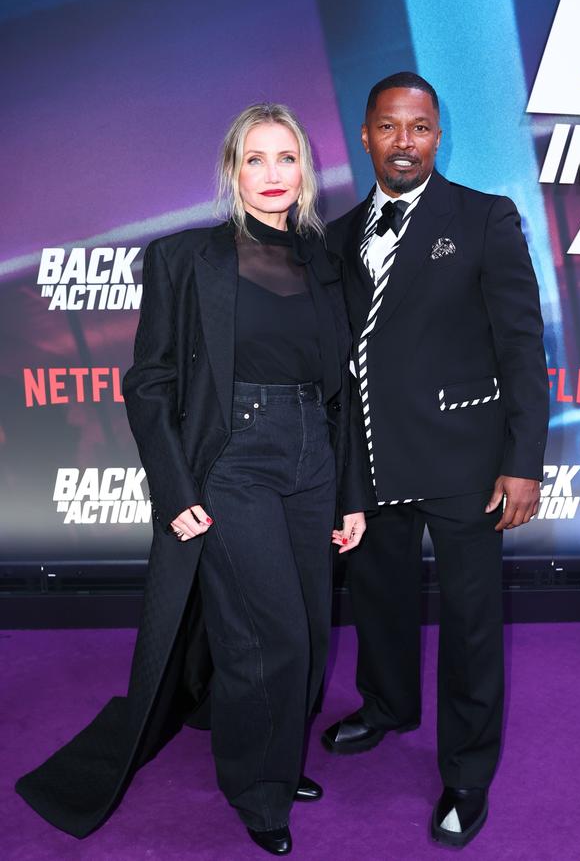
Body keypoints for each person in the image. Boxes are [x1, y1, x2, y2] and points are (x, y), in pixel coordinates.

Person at [16, 103, 373, 857]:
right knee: (264, 633)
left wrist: (350, 495)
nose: (272, 174)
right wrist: (177, 491)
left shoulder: (328, 262)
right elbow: (147, 384)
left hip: (312, 453)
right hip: (233, 458)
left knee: (308, 627)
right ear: (231, 171)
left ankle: (278, 754)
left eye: (286, 158)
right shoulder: (185, 259)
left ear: (304, 171)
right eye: (255, 159)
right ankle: (255, 784)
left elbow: (343, 390)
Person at [322, 72, 549, 849]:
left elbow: (522, 345)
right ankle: (386, 704)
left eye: (419, 127)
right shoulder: (339, 233)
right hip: (375, 462)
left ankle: (466, 773)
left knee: (472, 623)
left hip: (465, 457)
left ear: (438, 135)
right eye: (389, 127)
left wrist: (523, 459)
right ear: (366, 135)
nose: (405, 142)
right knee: (379, 597)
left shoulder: (484, 218)